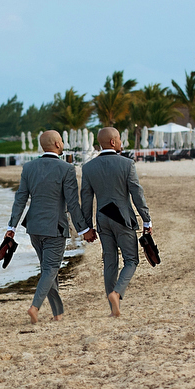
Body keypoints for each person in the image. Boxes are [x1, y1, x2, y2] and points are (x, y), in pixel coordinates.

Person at [2, 130, 90, 324]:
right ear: (58, 144)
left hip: (33, 227)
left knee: (48, 270)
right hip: (55, 227)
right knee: (50, 269)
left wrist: (12, 226)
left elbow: (20, 199)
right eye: (61, 141)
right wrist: (84, 229)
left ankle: (58, 313)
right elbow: (73, 204)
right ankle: (35, 307)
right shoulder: (66, 169)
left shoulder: (29, 167)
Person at [79, 127, 153, 318]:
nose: (121, 142)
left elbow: (86, 199)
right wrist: (146, 219)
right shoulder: (127, 164)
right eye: (119, 139)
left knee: (109, 262)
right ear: (113, 142)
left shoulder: (88, 167)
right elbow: (137, 193)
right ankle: (116, 293)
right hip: (122, 217)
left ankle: (114, 309)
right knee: (131, 260)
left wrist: (87, 227)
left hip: (103, 217)